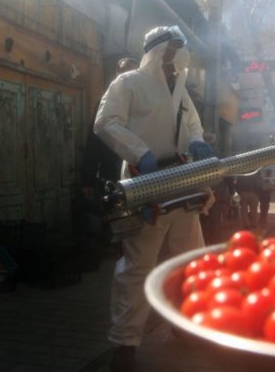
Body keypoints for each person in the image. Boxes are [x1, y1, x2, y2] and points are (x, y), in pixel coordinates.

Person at [93, 25, 213, 372]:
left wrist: (197, 142)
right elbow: (105, 122)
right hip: (144, 184)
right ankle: (125, 343)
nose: (175, 59)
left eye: (180, 52)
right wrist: (140, 152)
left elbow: (192, 124)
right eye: (170, 52)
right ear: (156, 52)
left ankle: (184, 322)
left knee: (189, 261)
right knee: (137, 267)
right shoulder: (128, 83)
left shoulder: (180, 89)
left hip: (182, 182)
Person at [75, 57, 138, 268]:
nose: (127, 77)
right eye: (123, 72)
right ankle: (118, 250)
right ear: (117, 75)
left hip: (139, 171)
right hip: (112, 171)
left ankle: (129, 250)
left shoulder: (142, 102)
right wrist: (87, 178)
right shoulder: (106, 102)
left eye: (132, 72)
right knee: (115, 213)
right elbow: (94, 141)